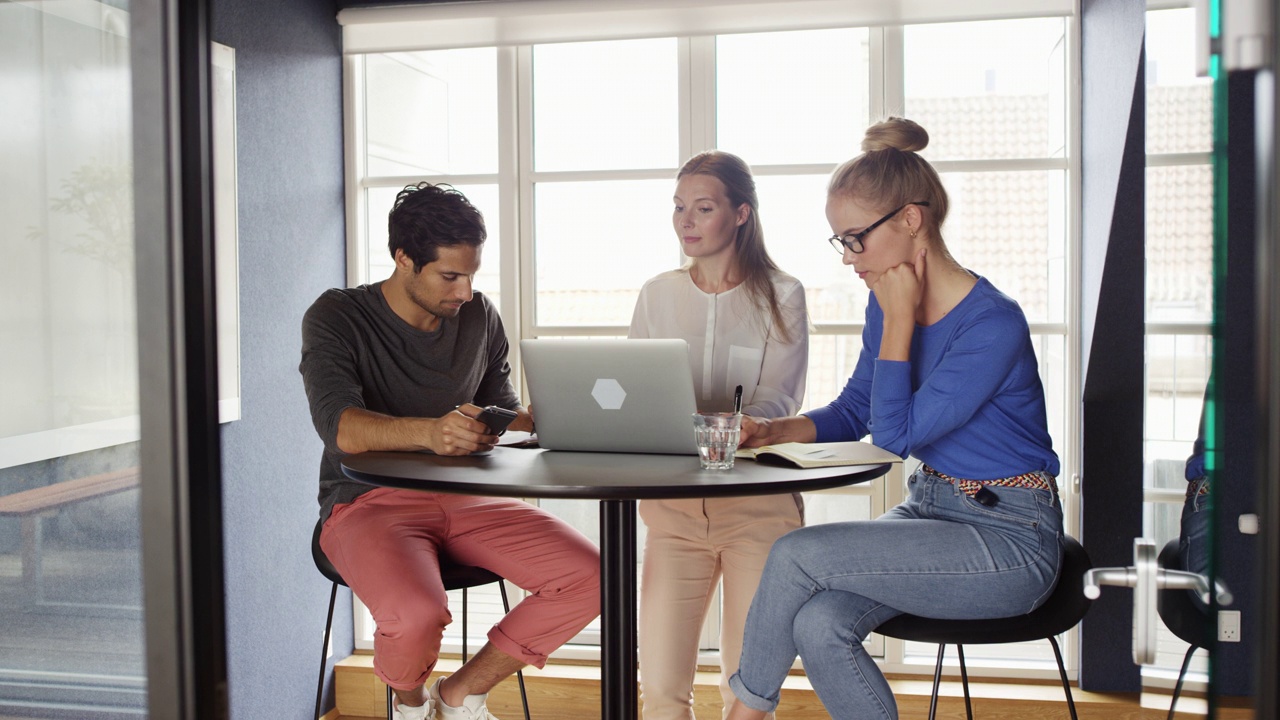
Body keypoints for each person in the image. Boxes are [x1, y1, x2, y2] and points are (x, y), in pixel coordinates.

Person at [723, 117, 1063, 720]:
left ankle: (743, 714)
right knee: (821, 621)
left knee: (795, 553)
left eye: (856, 238)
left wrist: (900, 319)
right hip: (931, 511)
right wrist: (775, 431)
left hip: (1010, 540)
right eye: (841, 241)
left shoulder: (992, 324)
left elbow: (896, 434)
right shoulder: (887, 303)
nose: (850, 258)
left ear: (911, 220)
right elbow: (858, 408)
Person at [299, 183, 601, 720]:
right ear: (404, 259)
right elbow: (341, 427)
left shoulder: (479, 316)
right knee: (417, 613)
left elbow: (502, 409)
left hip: (470, 498)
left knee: (595, 576)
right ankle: (411, 705)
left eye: (472, 275)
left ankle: (458, 696)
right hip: (369, 502)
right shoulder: (337, 316)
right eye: (450, 276)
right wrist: (429, 432)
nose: (465, 292)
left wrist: (560, 413)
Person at [629, 150, 809, 720]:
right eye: (679, 207)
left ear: (740, 214)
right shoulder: (657, 293)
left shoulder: (783, 293)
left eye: (702, 207)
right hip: (673, 514)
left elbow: (778, 400)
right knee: (658, 689)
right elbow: (635, 391)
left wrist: (735, 425)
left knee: (746, 689)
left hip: (758, 511)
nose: (685, 220)